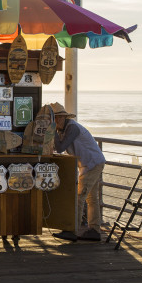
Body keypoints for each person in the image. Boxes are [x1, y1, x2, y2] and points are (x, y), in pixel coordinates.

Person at [51, 102, 106, 242]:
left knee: (79, 197)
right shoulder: (62, 130)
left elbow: (60, 148)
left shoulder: (72, 128)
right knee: (92, 198)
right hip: (91, 163)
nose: (56, 121)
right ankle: (94, 230)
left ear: (64, 117)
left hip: (92, 164)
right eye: (54, 118)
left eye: (58, 118)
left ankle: (72, 230)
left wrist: (52, 130)